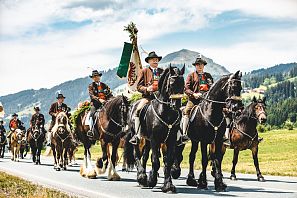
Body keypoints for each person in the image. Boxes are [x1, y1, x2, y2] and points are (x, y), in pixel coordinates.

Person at [129, 51, 163, 145]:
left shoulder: (162, 71)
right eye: (153, 60)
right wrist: (147, 89)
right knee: (138, 110)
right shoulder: (144, 71)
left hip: (161, 99)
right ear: (149, 61)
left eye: (157, 60)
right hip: (148, 98)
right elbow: (138, 87)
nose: (155, 61)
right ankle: (137, 135)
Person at [182, 55, 213, 145]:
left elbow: (212, 88)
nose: (200, 66)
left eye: (202, 64)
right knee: (186, 111)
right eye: (198, 64)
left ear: (204, 66)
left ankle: (221, 135)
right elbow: (186, 89)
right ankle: (184, 134)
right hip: (194, 100)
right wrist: (193, 94)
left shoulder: (208, 76)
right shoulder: (191, 75)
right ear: (195, 66)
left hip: (206, 101)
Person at [87, 70, 113, 135]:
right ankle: (91, 130)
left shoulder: (104, 85)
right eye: (95, 77)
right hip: (96, 105)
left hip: (106, 103)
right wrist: (99, 99)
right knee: (92, 114)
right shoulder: (91, 86)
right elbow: (92, 96)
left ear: (99, 77)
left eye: (97, 76)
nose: (96, 77)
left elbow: (110, 94)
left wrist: (112, 99)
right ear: (93, 78)